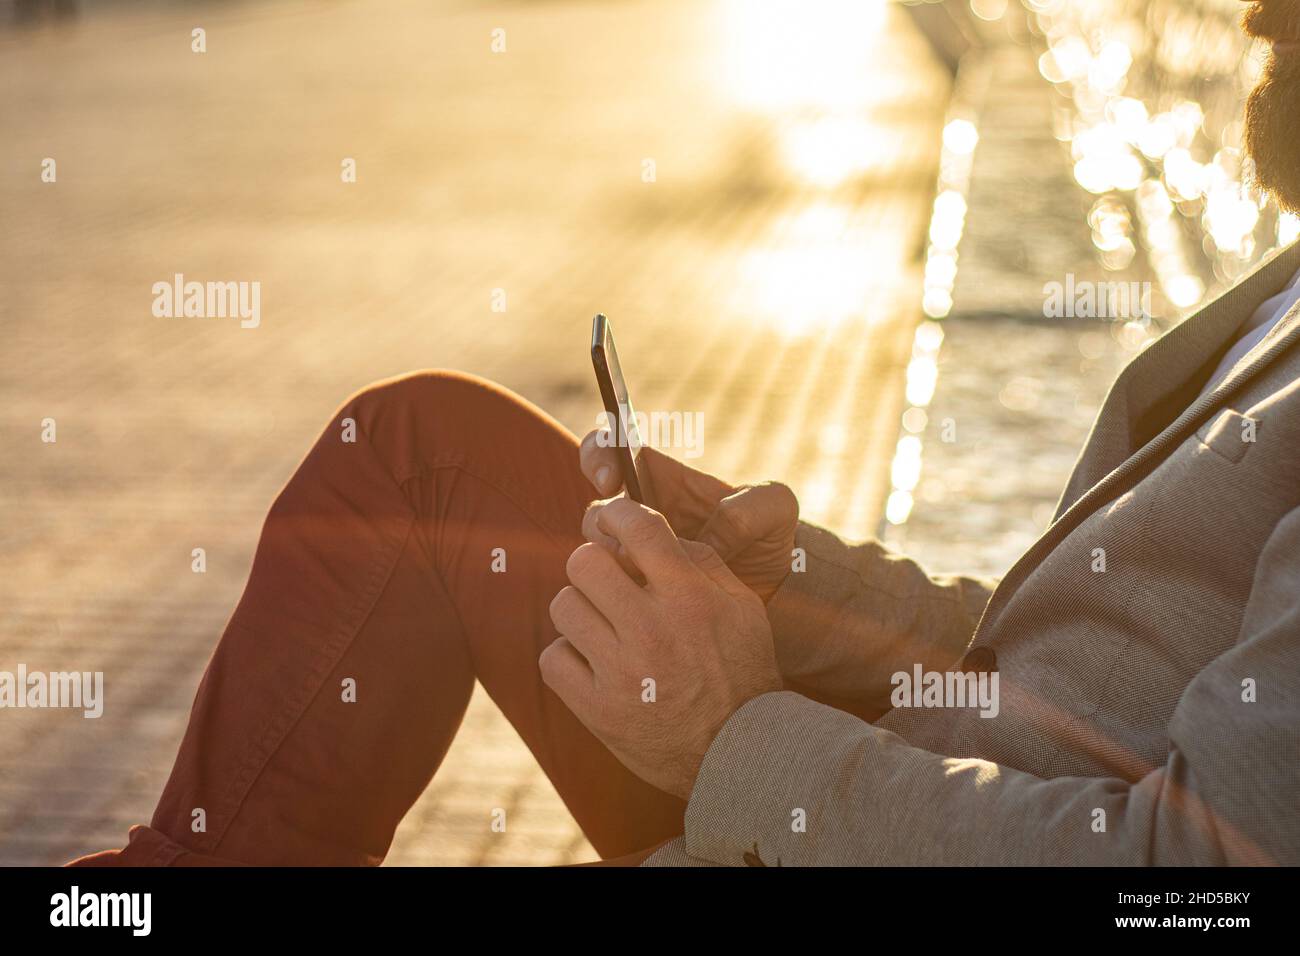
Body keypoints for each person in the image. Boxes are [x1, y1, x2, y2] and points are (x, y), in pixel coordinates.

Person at [73, 1, 1300, 866]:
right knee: (419, 453)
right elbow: (1082, 665)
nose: (1251, 16)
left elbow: (1191, 873)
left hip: (863, 817)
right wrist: (784, 584)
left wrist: (735, 731)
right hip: (889, 765)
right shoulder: (1281, 290)